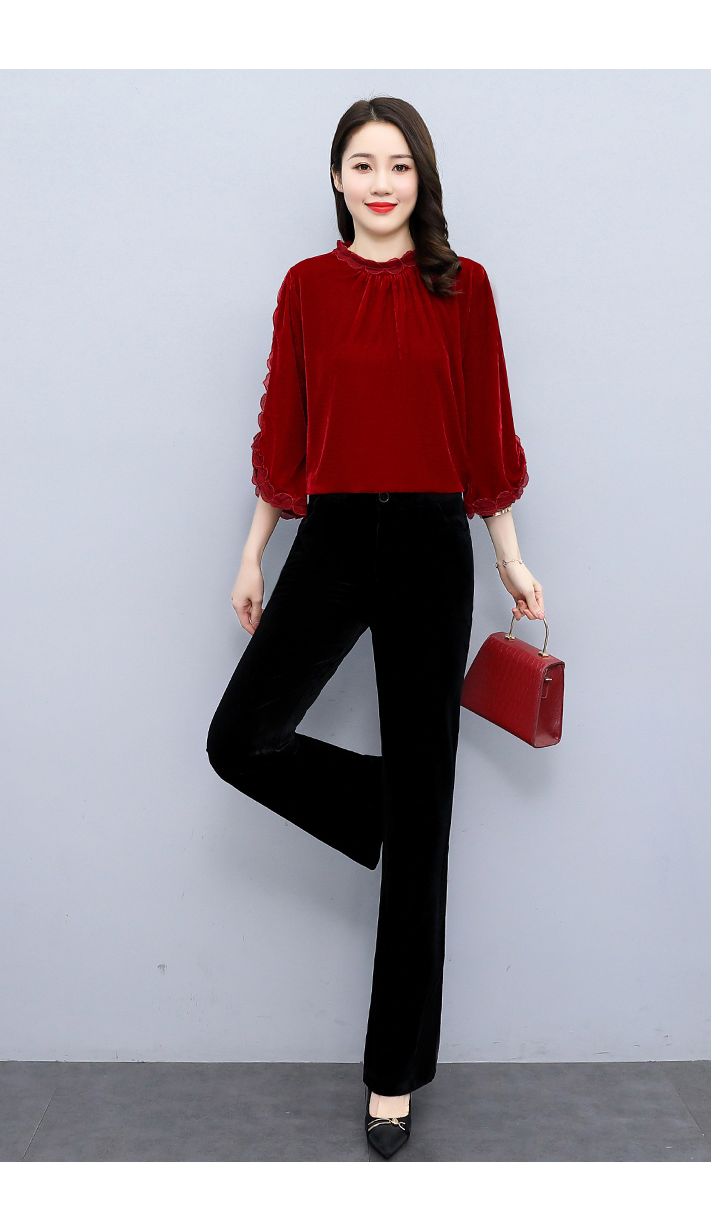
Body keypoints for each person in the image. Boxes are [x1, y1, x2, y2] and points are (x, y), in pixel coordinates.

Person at [206, 96, 544, 1159]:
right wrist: (256, 549)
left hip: (435, 544)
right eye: (363, 163)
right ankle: (392, 802)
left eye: (399, 164)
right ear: (337, 178)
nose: (382, 181)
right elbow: (286, 423)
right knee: (241, 738)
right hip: (337, 537)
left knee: (421, 851)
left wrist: (509, 553)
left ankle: (393, 1076)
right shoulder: (306, 288)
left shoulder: (463, 287)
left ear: (420, 178)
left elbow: (485, 425)